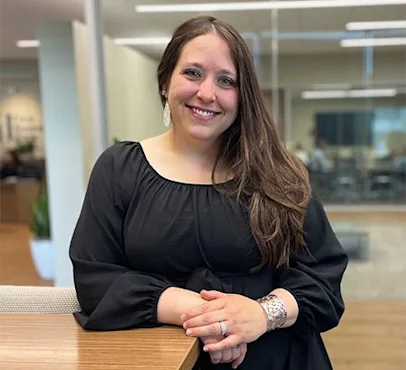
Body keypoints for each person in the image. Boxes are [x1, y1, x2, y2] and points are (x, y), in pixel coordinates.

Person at [69, 15, 348, 370]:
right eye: (193, 73)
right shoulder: (119, 168)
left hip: (276, 358)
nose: (207, 93)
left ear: (242, 96)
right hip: (158, 359)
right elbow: (95, 279)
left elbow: (323, 280)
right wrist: (208, 317)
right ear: (164, 82)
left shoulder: (280, 174)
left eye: (226, 80)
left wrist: (262, 314)